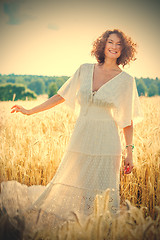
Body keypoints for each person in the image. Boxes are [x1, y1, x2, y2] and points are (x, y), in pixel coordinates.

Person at [0, 29, 143, 237]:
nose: (114, 46)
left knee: (104, 197)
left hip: (108, 145)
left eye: (119, 44)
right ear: (102, 45)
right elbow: (61, 96)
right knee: (75, 189)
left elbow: (127, 121)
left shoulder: (126, 81)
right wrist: (30, 111)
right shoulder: (84, 70)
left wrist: (129, 152)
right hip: (81, 139)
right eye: (110, 42)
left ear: (124, 49)